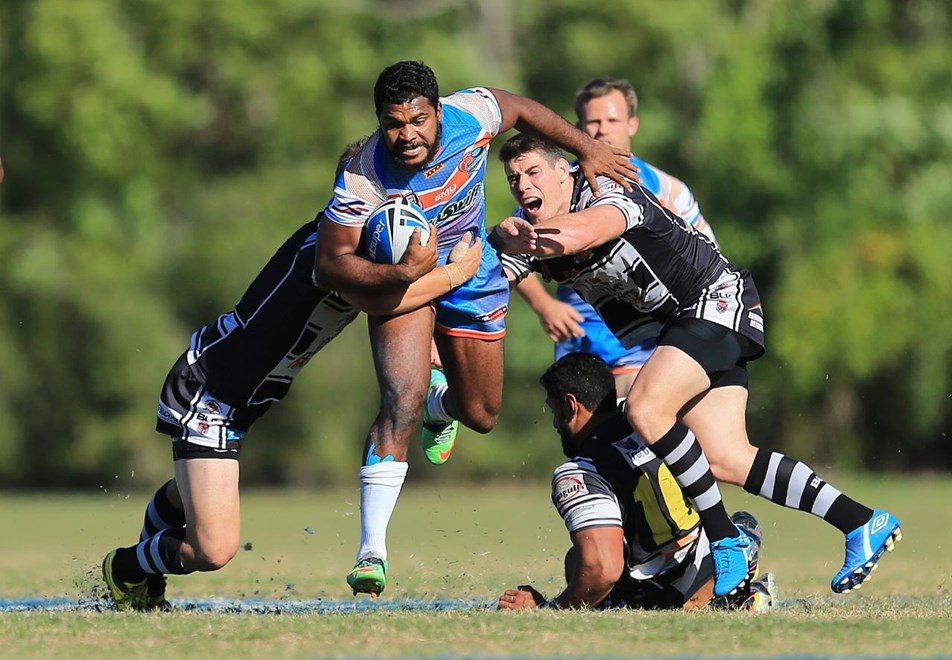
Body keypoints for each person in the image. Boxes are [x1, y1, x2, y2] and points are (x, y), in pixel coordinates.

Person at [491, 133, 901, 597]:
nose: (523, 186)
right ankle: (861, 522)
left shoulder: (605, 189)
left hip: (713, 301)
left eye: (533, 172)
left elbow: (583, 233)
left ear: (563, 171)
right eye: (513, 179)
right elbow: (488, 280)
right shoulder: (532, 230)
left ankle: (726, 538)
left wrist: (510, 239)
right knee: (725, 456)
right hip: (684, 328)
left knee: (645, 408)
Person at [99, 138, 483, 611]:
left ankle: (148, 570)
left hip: (238, 401)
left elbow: (394, 309)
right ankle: (128, 567)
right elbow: (384, 301)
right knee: (214, 549)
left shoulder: (367, 255)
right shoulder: (328, 259)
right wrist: (455, 274)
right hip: (208, 394)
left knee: (194, 493)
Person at [315, 60, 638, 597]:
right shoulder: (362, 177)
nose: (407, 135)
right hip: (406, 282)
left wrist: (585, 148)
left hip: (473, 270)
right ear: (379, 121)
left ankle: (441, 407)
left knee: (482, 414)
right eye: (393, 124)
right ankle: (371, 551)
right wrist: (402, 272)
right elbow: (329, 265)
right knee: (400, 401)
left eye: (418, 120)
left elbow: (523, 110)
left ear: (439, 113)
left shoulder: (472, 115)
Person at [497, 352, 776, 612]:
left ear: (570, 405)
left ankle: (707, 599)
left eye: (554, 411)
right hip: (706, 553)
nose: (555, 424)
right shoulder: (654, 421)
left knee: (581, 562)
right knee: (742, 523)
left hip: (658, 590)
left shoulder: (578, 471)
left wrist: (548, 608)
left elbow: (602, 571)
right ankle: (734, 586)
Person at [515, 78, 716, 402]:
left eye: (612, 120)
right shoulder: (555, 184)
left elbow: (709, 255)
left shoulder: (663, 186)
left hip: (644, 333)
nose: (603, 130)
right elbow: (515, 247)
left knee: (637, 417)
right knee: (578, 423)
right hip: (581, 333)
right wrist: (543, 305)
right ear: (578, 128)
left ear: (632, 124)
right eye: (593, 122)